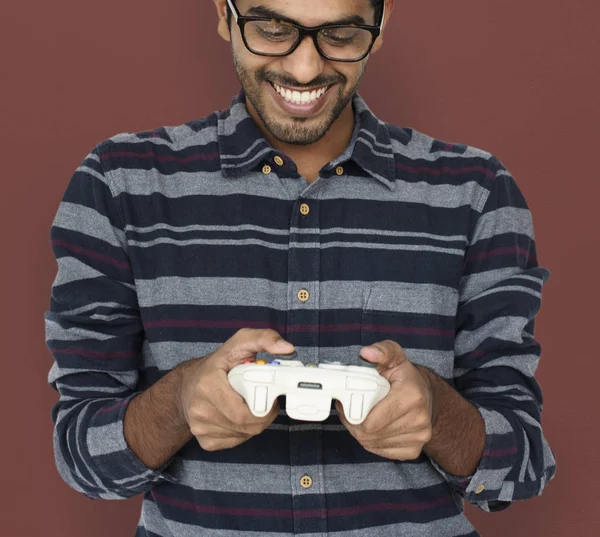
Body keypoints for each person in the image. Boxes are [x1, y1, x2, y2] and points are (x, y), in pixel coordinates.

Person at [44, 0, 556, 535]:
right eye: (271, 28)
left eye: (340, 33)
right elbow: (81, 457)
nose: (305, 69)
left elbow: (521, 465)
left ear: (380, 27)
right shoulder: (121, 185)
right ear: (224, 14)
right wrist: (178, 402)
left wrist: (438, 414)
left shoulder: (475, 194)